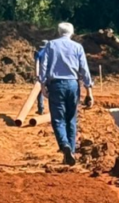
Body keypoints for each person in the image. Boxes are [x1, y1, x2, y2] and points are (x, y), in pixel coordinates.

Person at [38, 22, 94, 165]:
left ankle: (64, 145)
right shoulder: (78, 47)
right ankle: (71, 152)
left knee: (58, 119)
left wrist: (43, 84)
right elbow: (84, 69)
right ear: (72, 33)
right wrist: (89, 91)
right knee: (71, 119)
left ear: (58, 32)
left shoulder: (50, 45)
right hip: (73, 85)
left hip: (56, 85)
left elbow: (43, 65)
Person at [34, 39, 48, 115]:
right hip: (51, 75)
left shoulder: (38, 53)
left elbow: (37, 64)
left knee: (40, 93)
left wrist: (37, 75)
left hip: (41, 75)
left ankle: (41, 109)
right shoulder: (51, 53)